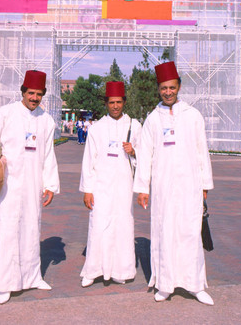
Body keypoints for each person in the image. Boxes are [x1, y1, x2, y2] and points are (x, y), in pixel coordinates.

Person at [0, 70, 60, 305]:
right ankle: (4, 283)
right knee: (7, 232)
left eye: (39, 94)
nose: (34, 98)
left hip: (33, 185)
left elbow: (49, 156)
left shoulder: (47, 121)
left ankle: (33, 277)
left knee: (32, 230)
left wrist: (50, 185)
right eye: (31, 93)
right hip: (8, 185)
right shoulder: (6, 114)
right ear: (23, 91)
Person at [133, 61, 214, 305]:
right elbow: (144, 155)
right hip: (163, 188)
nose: (168, 92)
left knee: (190, 234)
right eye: (163, 88)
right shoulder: (152, 119)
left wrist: (204, 185)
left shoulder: (193, 116)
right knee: (164, 232)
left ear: (179, 87)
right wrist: (142, 189)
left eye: (172, 87)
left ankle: (195, 285)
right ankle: (165, 284)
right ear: (158, 89)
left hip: (190, 187)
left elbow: (202, 151)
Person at [79, 81, 142, 287]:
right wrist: (88, 190)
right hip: (101, 186)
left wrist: (134, 152)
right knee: (98, 224)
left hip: (124, 187)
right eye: (111, 102)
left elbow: (146, 157)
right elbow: (89, 160)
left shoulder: (135, 126)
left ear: (124, 102)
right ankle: (93, 270)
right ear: (106, 103)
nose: (115, 106)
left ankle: (120, 270)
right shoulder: (97, 128)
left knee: (122, 225)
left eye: (119, 102)